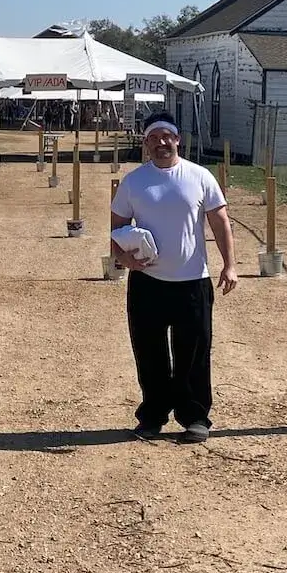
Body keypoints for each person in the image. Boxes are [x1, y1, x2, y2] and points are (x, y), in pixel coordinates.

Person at [111, 110, 238, 443]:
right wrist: (125, 258)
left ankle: (195, 417)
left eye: (166, 136)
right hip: (147, 284)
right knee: (149, 352)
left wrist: (230, 264)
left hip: (192, 281)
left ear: (177, 139)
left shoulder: (199, 177)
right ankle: (152, 416)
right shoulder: (134, 182)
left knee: (194, 352)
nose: (161, 143)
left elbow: (220, 222)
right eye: (153, 138)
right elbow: (116, 230)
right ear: (146, 143)